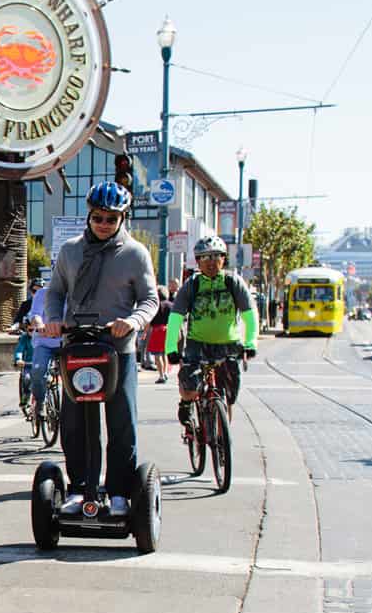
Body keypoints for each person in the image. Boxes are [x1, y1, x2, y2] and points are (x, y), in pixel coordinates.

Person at [40, 183, 160, 510]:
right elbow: (55, 292)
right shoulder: (70, 251)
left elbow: (150, 299)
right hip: (77, 345)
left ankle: (120, 491)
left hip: (118, 348)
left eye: (111, 218)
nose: (104, 224)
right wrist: (53, 319)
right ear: (89, 215)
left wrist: (133, 321)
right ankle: (80, 487)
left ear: (123, 218)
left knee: (121, 421)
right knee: (76, 422)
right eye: (98, 217)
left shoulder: (135, 253)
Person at [165, 237, 258, 433]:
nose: (211, 262)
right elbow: (175, 318)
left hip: (229, 344)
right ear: (197, 261)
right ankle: (186, 404)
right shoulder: (192, 285)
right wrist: (171, 349)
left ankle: (223, 439)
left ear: (224, 259)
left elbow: (250, 315)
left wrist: (250, 343)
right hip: (197, 344)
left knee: (229, 396)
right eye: (205, 257)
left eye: (216, 256)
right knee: (190, 386)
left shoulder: (233, 282)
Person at [22, 276, 62, 418]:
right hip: (44, 342)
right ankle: (40, 401)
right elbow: (36, 315)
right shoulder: (42, 294)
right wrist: (39, 325)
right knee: (38, 370)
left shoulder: (74, 294)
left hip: (66, 342)